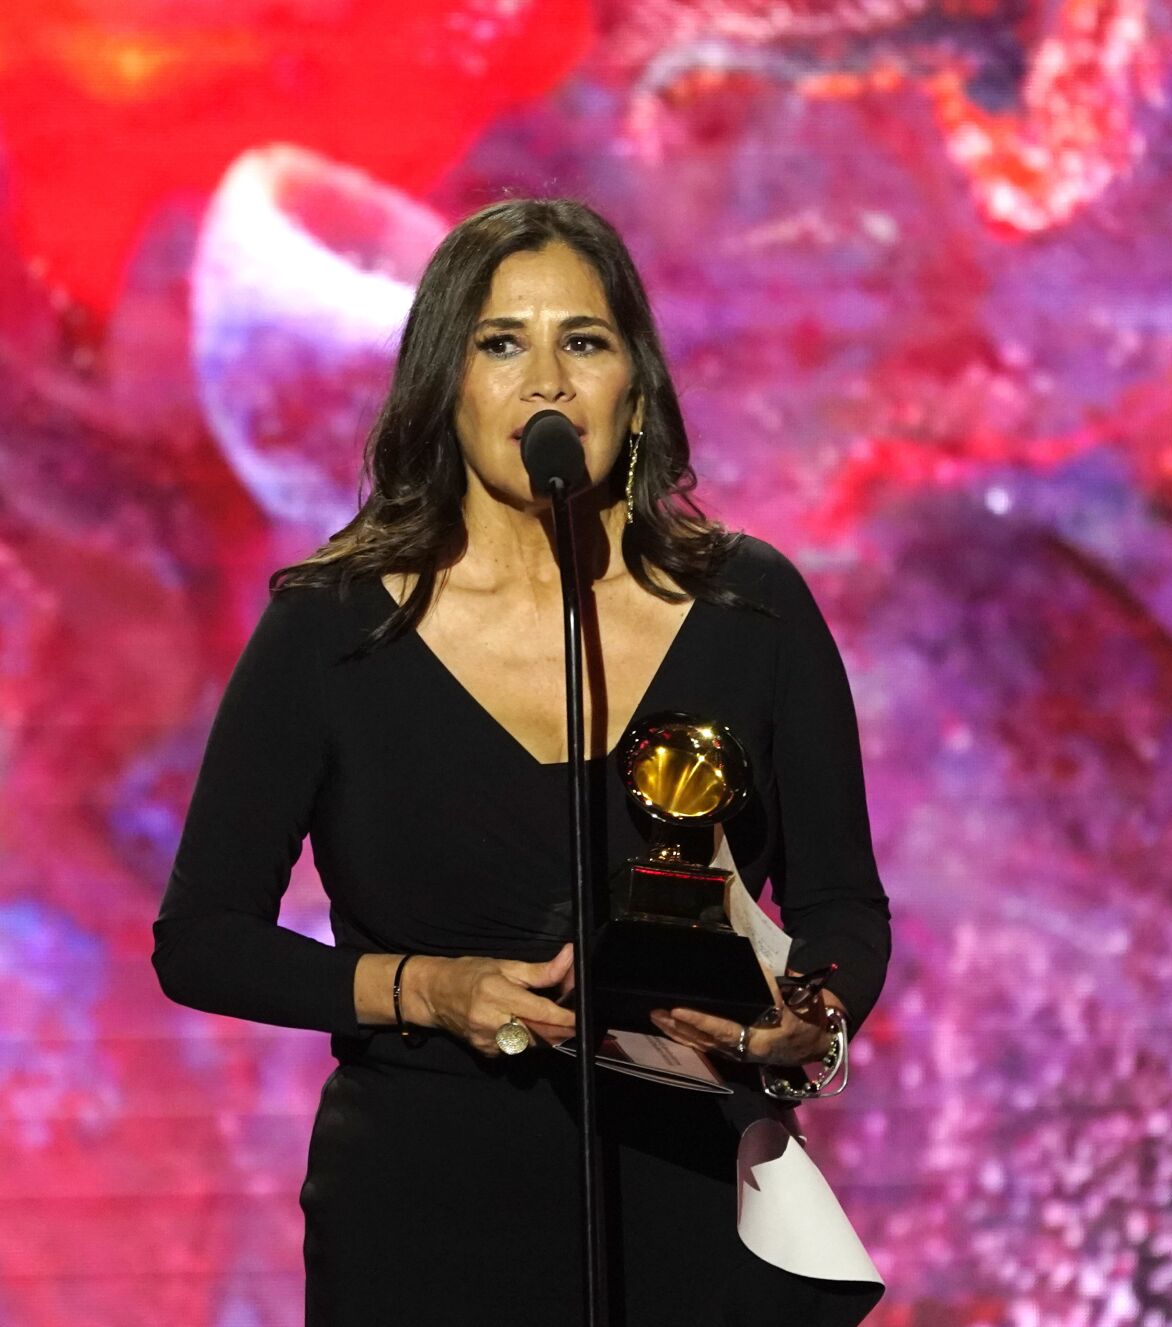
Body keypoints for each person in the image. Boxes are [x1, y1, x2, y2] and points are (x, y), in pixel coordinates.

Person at [153, 198, 891, 1325]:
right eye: (502, 343)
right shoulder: (333, 628)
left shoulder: (751, 608)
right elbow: (202, 940)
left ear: (633, 389)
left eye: (582, 343)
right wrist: (422, 988)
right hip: (424, 1210)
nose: (545, 380)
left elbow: (840, 899)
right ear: (444, 384)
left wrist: (809, 1021)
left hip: (691, 1203)